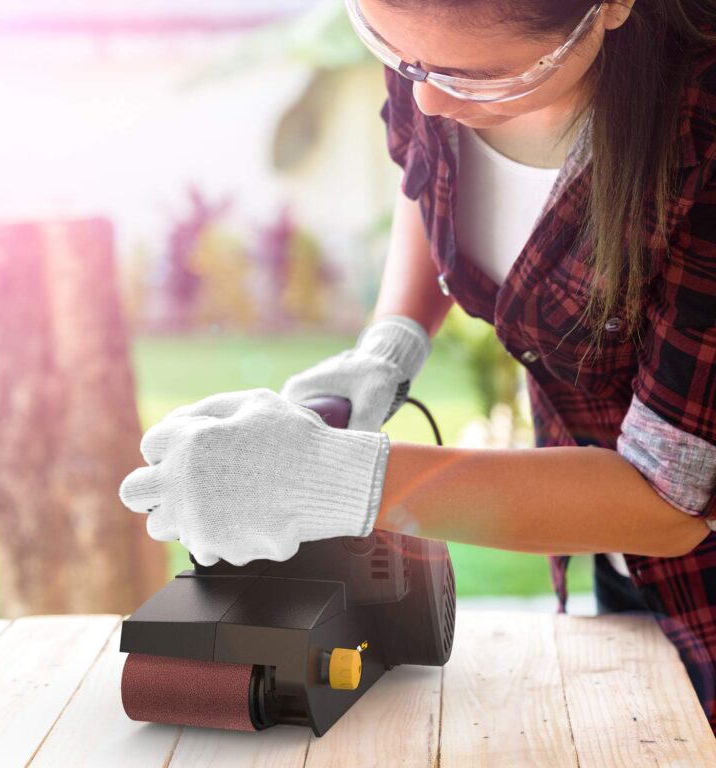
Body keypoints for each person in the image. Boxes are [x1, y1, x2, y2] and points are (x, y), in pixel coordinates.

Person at [118, 0, 716, 731]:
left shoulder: (703, 143)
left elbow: (668, 504)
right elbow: (430, 178)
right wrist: (391, 342)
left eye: (478, 77)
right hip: (611, 559)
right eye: (396, 53)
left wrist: (334, 480)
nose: (426, 100)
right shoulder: (431, 48)